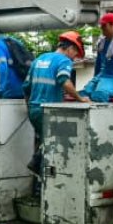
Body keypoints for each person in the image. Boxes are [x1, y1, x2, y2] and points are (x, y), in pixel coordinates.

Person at [27, 32, 90, 178]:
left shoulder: (39, 59)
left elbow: (26, 87)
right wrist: (80, 99)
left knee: (46, 142)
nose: (74, 58)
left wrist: (30, 105)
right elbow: (64, 81)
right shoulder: (63, 61)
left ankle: (39, 173)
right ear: (70, 48)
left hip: (34, 110)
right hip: (49, 112)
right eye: (76, 53)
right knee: (58, 145)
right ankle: (39, 166)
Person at [80, 12, 113, 102]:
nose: (102, 28)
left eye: (104, 25)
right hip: (101, 77)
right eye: (101, 25)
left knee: (99, 94)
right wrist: (94, 81)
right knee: (84, 93)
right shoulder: (102, 43)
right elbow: (98, 64)